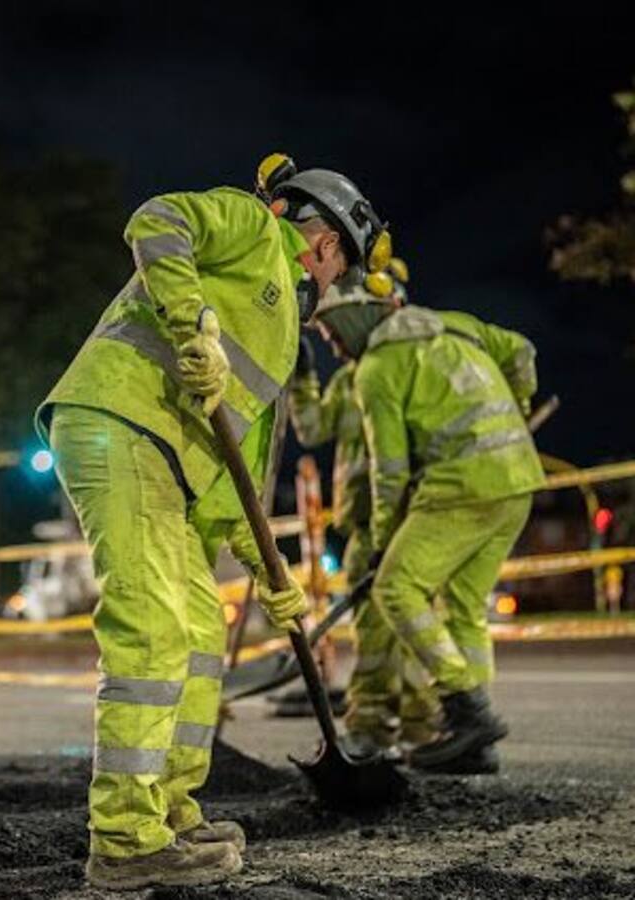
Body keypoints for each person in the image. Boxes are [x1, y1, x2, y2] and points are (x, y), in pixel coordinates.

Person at [35, 154, 389, 890]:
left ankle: (170, 809)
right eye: (341, 271)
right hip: (120, 421)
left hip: (169, 461)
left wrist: (269, 572)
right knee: (155, 624)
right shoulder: (255, 227)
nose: (336, 288)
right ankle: (125, 841)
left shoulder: (280, 330)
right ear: (325, 246)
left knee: (199, 632)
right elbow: (157, 219)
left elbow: (241, 468)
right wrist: (190, 320)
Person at [309, 283, 543, 773]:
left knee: (396, 588)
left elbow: (388, 471)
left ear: (354, 320)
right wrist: (518, 409)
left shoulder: (376, 370)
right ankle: (473, 745)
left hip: (461, 485)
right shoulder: (457, 324)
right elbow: (521, 351)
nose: (332, 343)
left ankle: (465, 705)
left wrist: (382, 539)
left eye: (332, 330)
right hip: (517, 481)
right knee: (462, 608)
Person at [288, 264, 441, 761]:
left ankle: (424, 728)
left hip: (408, 520)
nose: (330, 340)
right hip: (361, 526)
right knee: (373, 632)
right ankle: (374, 726)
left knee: (411, 623)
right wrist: (303, 378)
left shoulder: (408, 370)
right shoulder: (351, 380)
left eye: (333, 329)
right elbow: (311, 429)